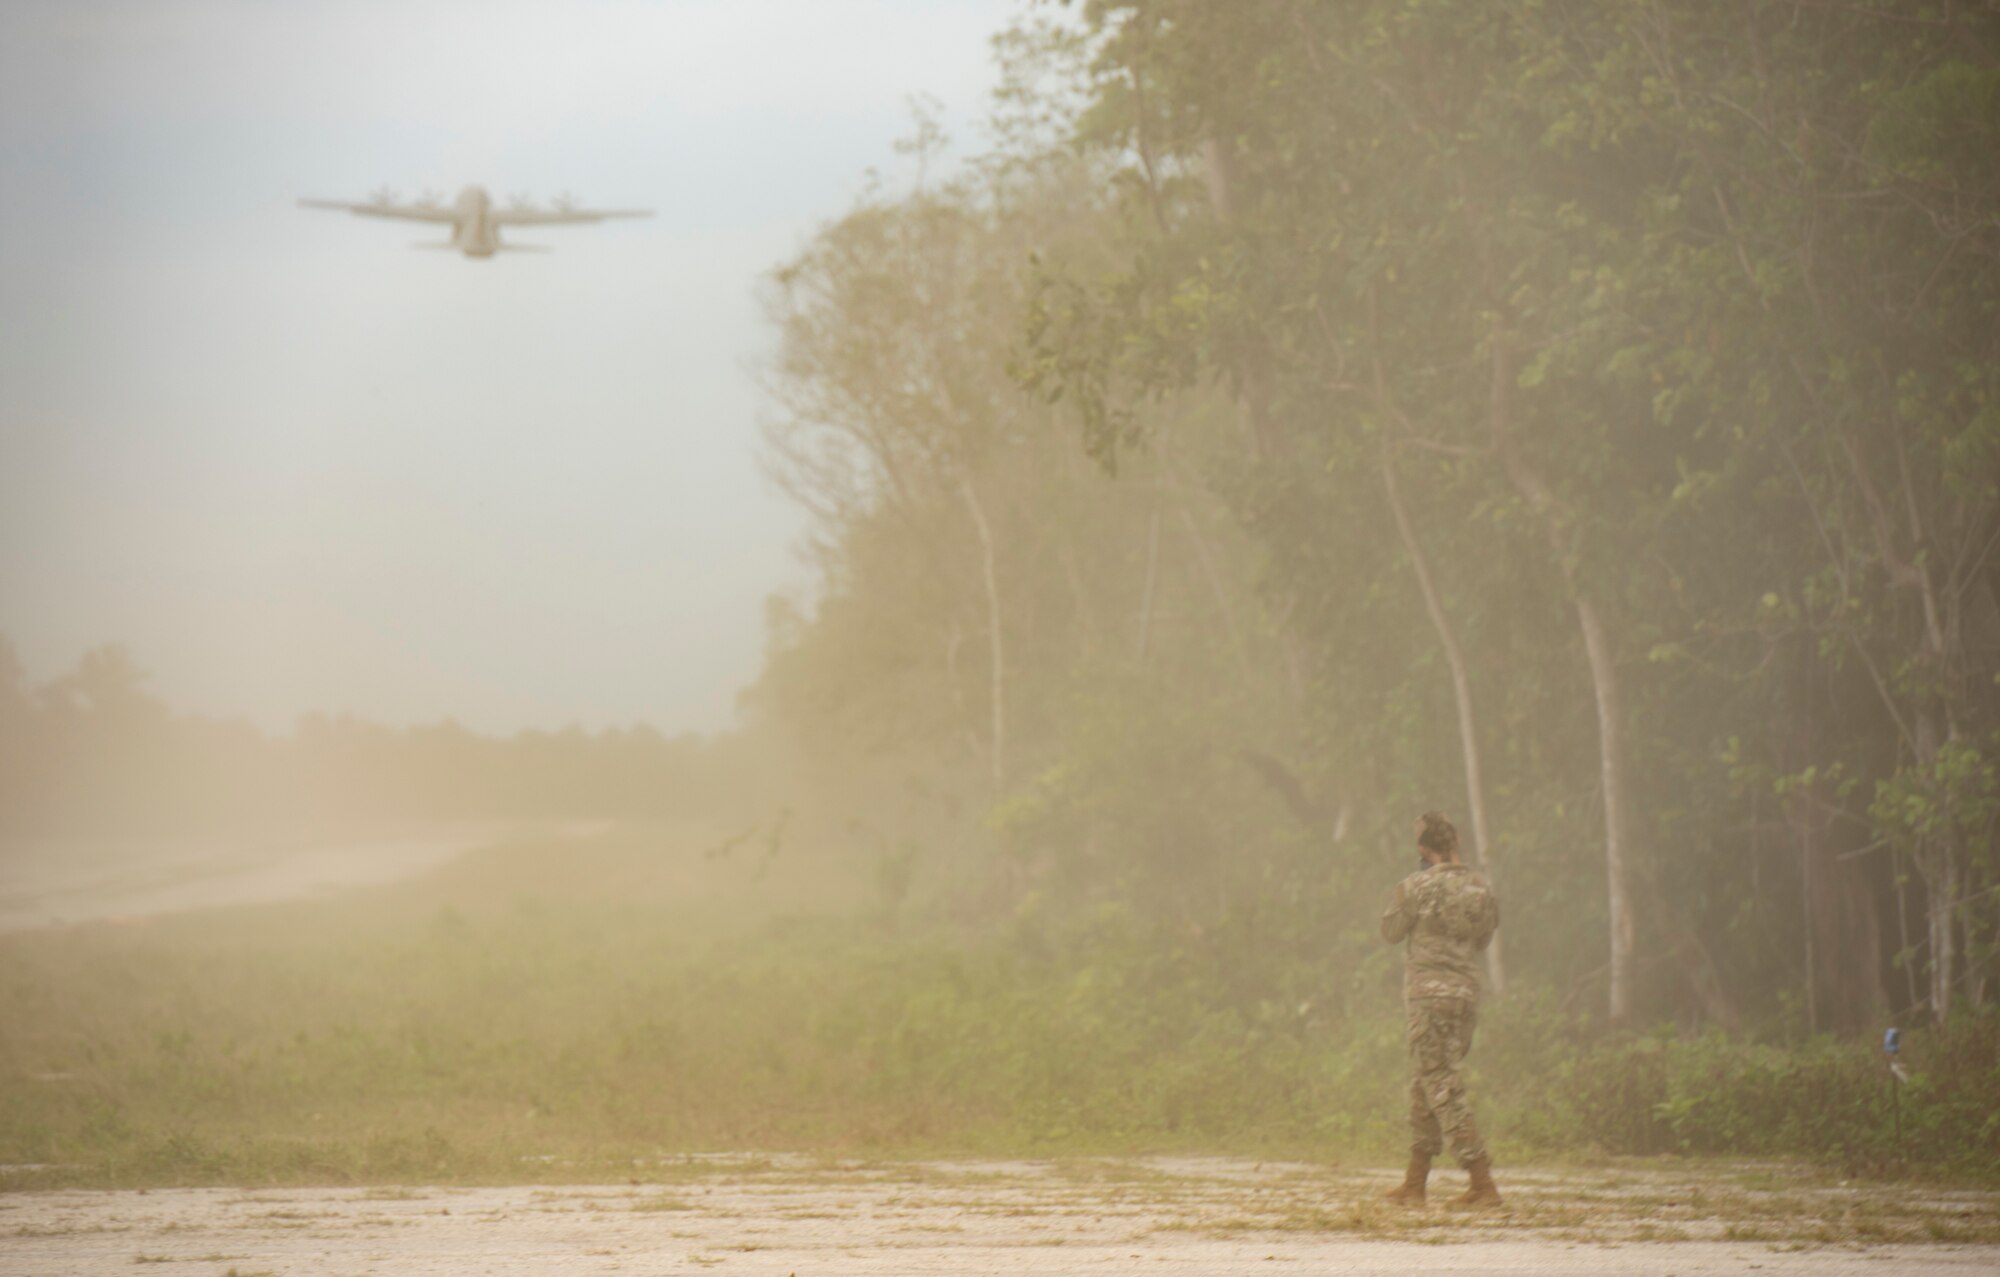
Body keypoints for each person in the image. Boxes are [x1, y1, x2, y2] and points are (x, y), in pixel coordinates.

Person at [1378, 810, 1501, 1207]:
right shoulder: (1481, 888)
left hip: (1428, 997)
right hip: (1465, 997)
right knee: (1427, 1083)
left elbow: (1390, 932)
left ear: (1422, 848)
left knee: (1442, 1085)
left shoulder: (1417, 887)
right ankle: (1415, 1184)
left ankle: (1482, 1183)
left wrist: (1413, 888)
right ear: (1456, 842)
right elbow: (1483, 940)